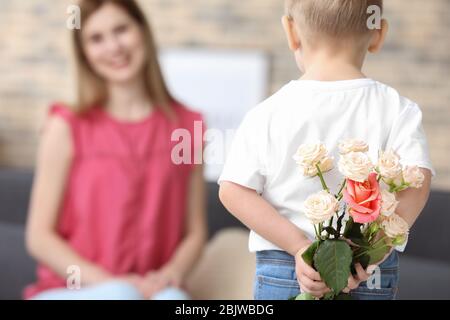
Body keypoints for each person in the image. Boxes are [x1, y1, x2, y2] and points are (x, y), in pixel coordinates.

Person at [218, 0, 435, 300]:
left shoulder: (267, 113)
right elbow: (418, 182)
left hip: (286, 271)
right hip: (368, 274)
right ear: (378, 34)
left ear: (290, 32)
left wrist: (299, 246)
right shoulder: (398, 109)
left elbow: (233, 191)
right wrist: (374, 249)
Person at [24, 0, 207, 300]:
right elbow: (39, 237)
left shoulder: (190, 126)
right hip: (73, 290)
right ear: (84, 53)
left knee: (174, 299)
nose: (113, 47)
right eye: (96, 38)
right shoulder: (66, 126)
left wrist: (169, 276)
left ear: (142, 32)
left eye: (121, 30)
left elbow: (195, 233)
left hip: (151, 290)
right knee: (120, 295)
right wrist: (113, 283)